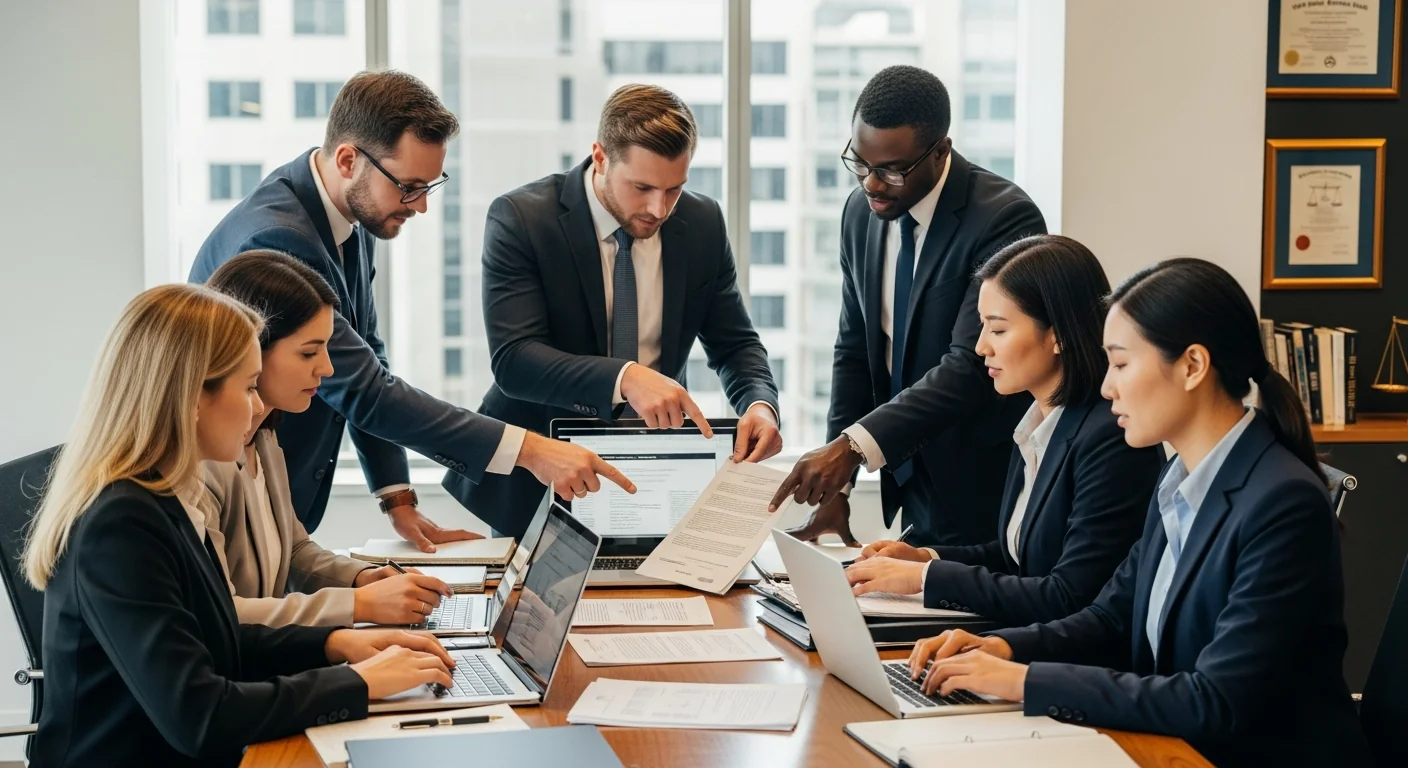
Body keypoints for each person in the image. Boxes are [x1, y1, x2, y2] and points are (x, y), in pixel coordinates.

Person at [903, 259, 1371, 767]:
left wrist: (1028, 681)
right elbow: (1109, 617)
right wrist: (1002, 648)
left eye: (1121, 365)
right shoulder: (1180, 482)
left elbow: (1216, 701)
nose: (1106, 388)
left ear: (1193, 366)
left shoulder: (1283, 503)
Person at [190, 69, 634, 550]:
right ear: (347, 160)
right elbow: (364, 388)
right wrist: (531, 450)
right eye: (409, 186)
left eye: (429, 185)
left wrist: (395, 496)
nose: (420, 206)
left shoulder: (349, 214)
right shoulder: (280, 239)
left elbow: (366, 355)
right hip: (230, 493)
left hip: (278, 503)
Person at [26, 284, 457, 768]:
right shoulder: (120, 524)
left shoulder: (160, 496)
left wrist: (336, 644)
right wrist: (358, 682)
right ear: (191, 397)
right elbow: (200, 715)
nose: (257, 408)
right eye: (249, 386)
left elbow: (216, 637)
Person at [443, 84, 781, 536]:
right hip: (541, 481)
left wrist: (760, 404)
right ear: (600, 157)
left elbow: (735, 344)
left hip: (657, 481)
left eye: (674, 189)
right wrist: (626, 378)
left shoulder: (702, 224)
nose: (658, 209)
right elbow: (515, 360)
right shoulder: (522, 219)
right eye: (641, 187)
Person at [770, 65, 1045, 547]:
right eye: (860, 163)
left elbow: (970, 365)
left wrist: (853, 448)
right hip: (910, 476)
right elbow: (853, 350)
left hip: (981, 481)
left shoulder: (1004, 218)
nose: (872, 185)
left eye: (892, 170)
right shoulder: (861, 213)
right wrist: (839, 481)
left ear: (941, 151)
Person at [843, 235, 1163, 626]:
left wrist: (925, 578)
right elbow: (1017, 557)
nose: (980, 347)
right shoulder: (1035, 423)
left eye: (997, 330)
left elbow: (1069, 594)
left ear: (1058, 334)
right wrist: (927, 558)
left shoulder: (1111, 438)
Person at [203, 250, 454, 627]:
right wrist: (360, 607)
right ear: (251, 347)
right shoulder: (201, 464)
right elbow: (219, 612)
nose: (328, 368)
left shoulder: (266, 440)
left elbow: (295, 549)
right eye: (309, 353)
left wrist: (362, 578)